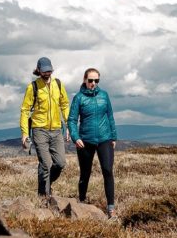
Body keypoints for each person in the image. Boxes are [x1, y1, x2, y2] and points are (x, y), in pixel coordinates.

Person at [68, 67, 118, 218]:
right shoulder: (78, 98)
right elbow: (71, 120)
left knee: (108, 171)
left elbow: (110, 116)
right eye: (90, 80)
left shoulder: (104, 95)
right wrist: (76, 137)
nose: (93, 83)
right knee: (85, 173)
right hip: (85, 141)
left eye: (96, 80)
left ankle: (111, 208)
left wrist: (113, 137)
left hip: (104, 139)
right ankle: (82, 201)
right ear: (85, 80)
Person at [19, 56, 70, 201]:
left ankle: (45, 184)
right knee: (46, 164)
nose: (47, 73)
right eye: (44, 71)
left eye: (49, 71)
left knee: (60, 163)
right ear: (39, 71)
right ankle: (44, 196)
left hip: (56, 129)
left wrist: (69, 125)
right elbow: (25, 110)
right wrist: (24, 133)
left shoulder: (58, 84)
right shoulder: (33, 87)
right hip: (39, 129)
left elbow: (65, 105)